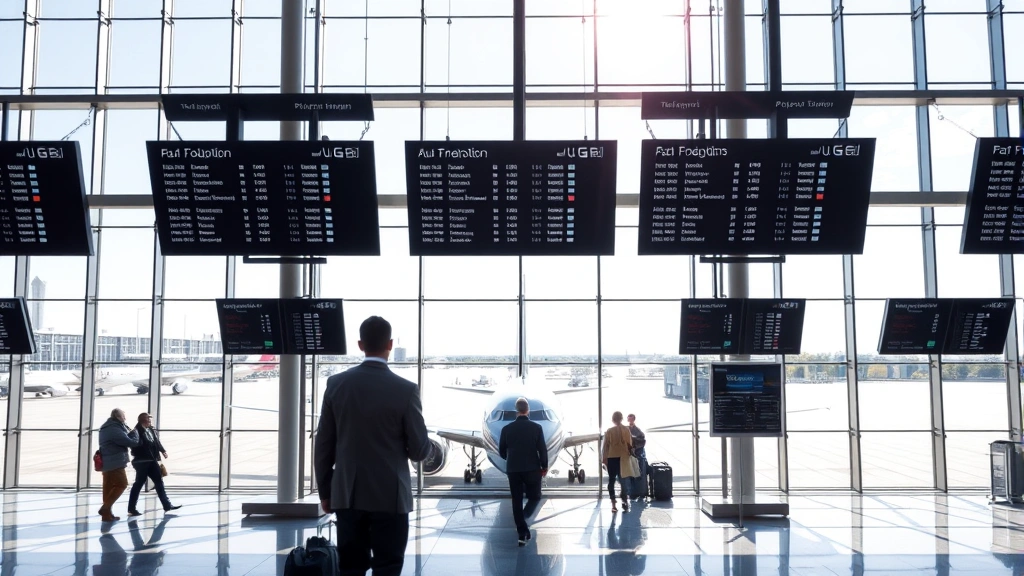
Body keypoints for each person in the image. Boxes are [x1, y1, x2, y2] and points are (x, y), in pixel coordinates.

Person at [315, 316, 432, 576]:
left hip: (347, 494)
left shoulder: (336, 385)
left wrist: (326, 491)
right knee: (388, 567)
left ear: (360, 344)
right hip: (391, 497)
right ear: (390, 344)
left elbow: (323, 445)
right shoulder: (406, 390)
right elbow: (419, 451)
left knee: (351, 567)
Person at [498, 397, 548, 546]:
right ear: (528, 410)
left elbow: (501, 451)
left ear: (516, 411)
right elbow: (542, 450)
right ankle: (524, 518)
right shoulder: (536, 428)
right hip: (532, 469)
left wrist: (511, 458)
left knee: (516, 500)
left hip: (513, 470)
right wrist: (544, 466)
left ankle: (522, 533)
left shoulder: (506, 429)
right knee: (535, 497)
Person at [126, 413, 181, 516]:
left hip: (151, 460)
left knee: (159, 481)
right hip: (142, 462)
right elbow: (131, 442)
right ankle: (131, 508)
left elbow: (156, 441)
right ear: (143, 420)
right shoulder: (136, 431)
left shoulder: (150, 430)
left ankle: (167, 505)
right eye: (149, 420)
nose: (150, 422)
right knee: (138, 484)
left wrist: (162, 451)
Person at [97, 408, 140, 522]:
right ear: (117, 417)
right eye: (123, 416)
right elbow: (130, 442)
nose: (125, 418)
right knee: (122, 484)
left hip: (109, 461)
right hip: (114, 462)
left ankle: (107, 515)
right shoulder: (114, 428)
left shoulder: (111, 426)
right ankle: (105, 509)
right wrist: (135, 433)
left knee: (109, 488)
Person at [601, 411, 633, 513]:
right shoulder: (626, 430)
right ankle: (624, 501)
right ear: (622, 418)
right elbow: (629, 445)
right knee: (623, 480)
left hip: (611, 458)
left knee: (611, 480)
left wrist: (604, 458)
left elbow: (606, 446)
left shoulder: (609, 431)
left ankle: (613, 504)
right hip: (623, 458)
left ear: (613, 420)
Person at [626, 413, 647, 501]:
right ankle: (631, 493)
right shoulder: (626, 429)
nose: (630, 421)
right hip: (628, 455)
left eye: (631, 419)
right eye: (629, 419)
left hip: (636, 455)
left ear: (634, 420)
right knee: (630, 474)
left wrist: (634, 447)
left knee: (637, 473)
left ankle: (638, 492)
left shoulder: (638, 430)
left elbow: (642, 440)